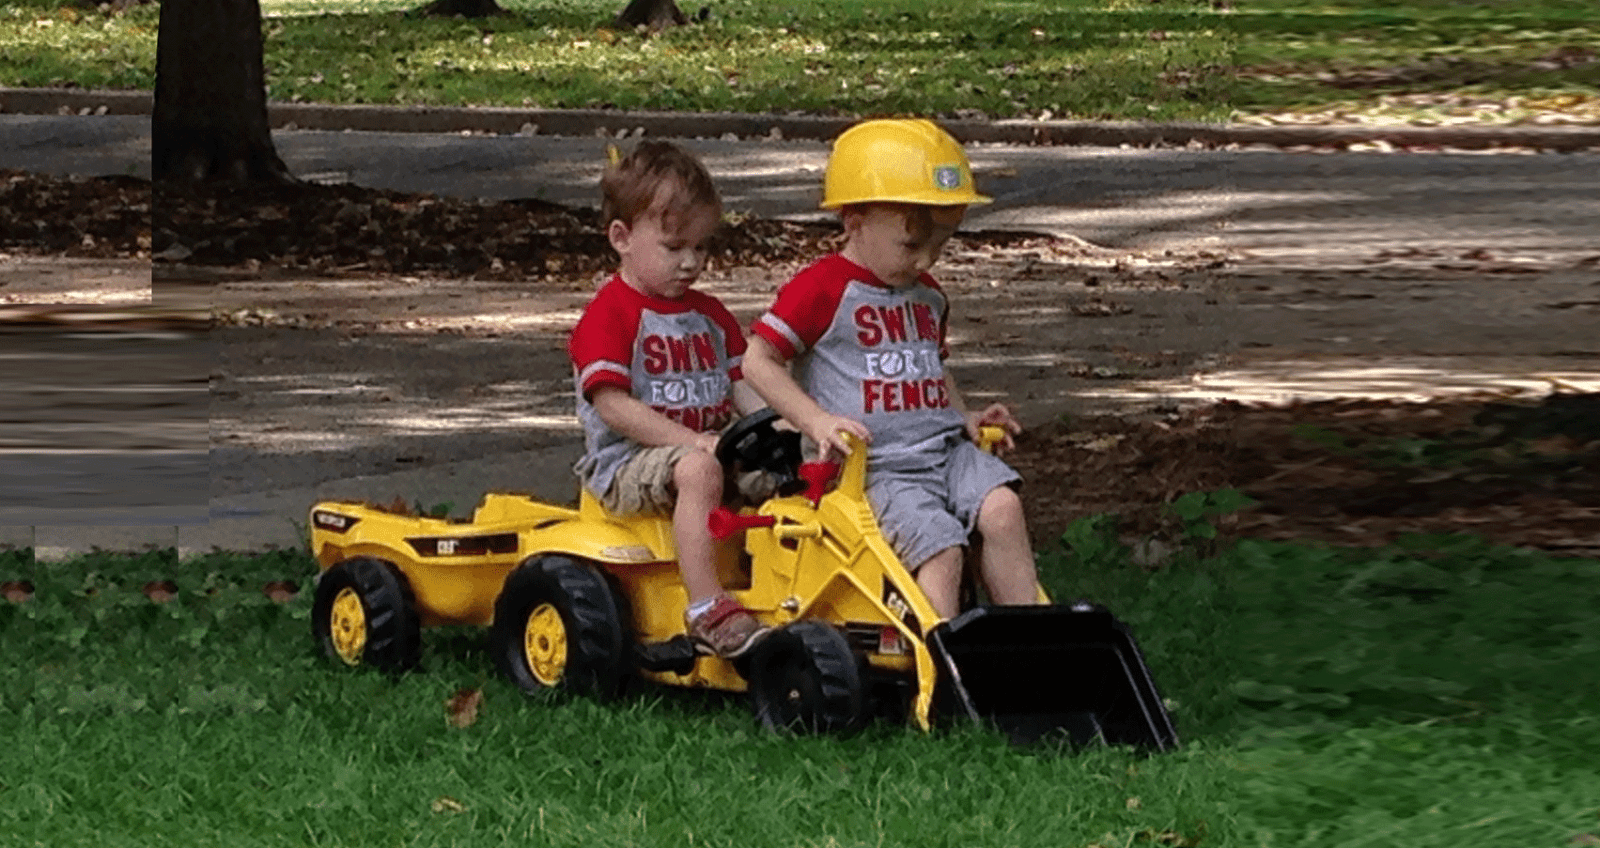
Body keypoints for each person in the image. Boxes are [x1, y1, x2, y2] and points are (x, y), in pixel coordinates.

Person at [741, 119, 1042, 619]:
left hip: (942, 450)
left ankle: (1029, 640)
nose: (926, 258)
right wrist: (814, 422)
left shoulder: (926, 295)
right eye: (911, 244)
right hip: (876, 469)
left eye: (941, 244)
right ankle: (936, 668)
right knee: (942, 551)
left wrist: (964, 418)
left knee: (1004, 508)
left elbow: (930, 368)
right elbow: (757, 359)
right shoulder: (823, 287)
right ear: (853, 220)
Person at [568, 140, 769, 658]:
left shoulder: (709, 314)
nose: (691, 263)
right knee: (700, 472)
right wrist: (693, 443)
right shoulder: (610, 314)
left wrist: (785, 429)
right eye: (674, 247)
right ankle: (706, 607)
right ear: (622, 238)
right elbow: (612, 406)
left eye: (701, 248)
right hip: (626, 463)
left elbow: (744, 383)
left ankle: (782, 586)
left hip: (704, 448)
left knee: (782, 473)